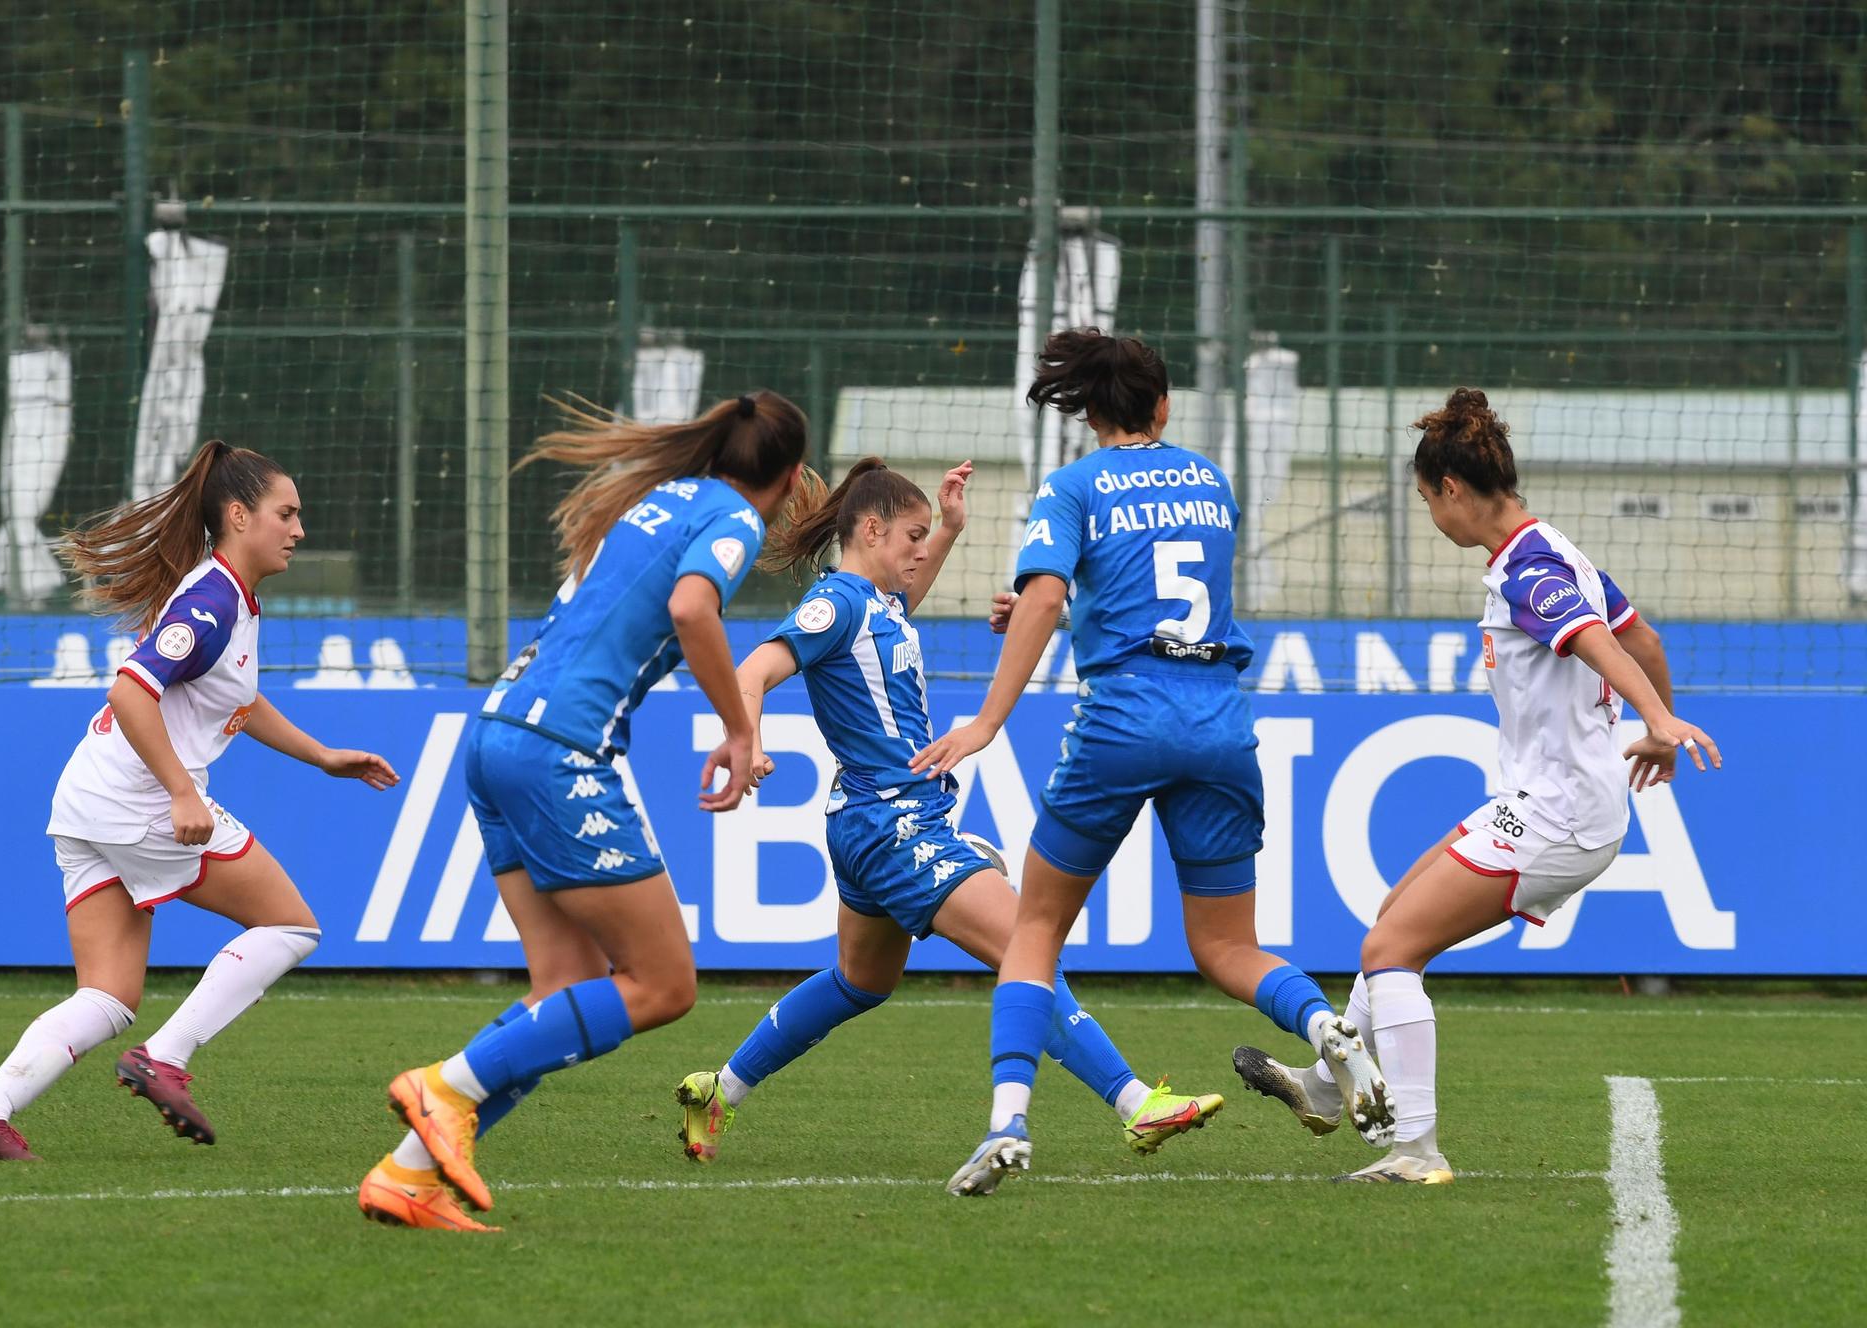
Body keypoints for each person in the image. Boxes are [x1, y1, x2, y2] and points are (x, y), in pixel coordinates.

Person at [911, 328, 1393, 1198]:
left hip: (1125, 718)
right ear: (1163, 407)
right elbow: (1154, 600)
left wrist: (989, 715)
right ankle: (1327, 1029)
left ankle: (1008, 1123)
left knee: (1034, 930)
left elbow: (1055, 591)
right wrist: (1050, 610)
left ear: (1088, 411)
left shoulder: (1072, 485)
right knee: (1226, 944)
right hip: (1218, 720)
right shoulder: (1211, 482)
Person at [671, 457, 1222, 1166]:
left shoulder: (878, 604)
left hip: (872, 822)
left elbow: (895, 603)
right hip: (893, 824)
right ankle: (1135, 1102)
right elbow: (754, 670)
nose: (920, 551)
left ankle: (718, 1090)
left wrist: (953, 528)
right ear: (870, 531)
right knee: (1029, 946)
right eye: (912, 535)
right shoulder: (835, 603)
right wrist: (746, 738)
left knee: (860, 981)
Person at [1232, 387, 1721, 1183]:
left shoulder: (1528, 571)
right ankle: (1325, 1090)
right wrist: (1659, 722)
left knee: (1391, 950)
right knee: (1395, 911)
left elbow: (1599, 641)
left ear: (1452, 489)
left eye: (1429, 501)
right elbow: (1646, 637)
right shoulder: (1557, 548)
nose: (1432, 518)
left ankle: (1416, 1148)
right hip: (1548, 801)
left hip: (1560, 814)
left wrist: (1657, 723)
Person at [360, 391, 808, 1233]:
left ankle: (409, 1177)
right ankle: (443, 1087)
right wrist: (743, 729)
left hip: (496, 736)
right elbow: (690, 608)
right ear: (786, 477)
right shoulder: (733, 517)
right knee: (664, 985)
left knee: (561, 993)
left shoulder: (652, 501)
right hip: (560, 751)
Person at [0, 440, 399, 1162]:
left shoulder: (228, 599)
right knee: (291, 926)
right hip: (139, 801)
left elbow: (236, 699)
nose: (299, 530)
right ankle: (168, 1057)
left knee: (110, 997)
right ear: (241, 516)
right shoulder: (214, 598)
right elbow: (129, 689)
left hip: (88, 800)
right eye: (288, 513)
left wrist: (321, 755)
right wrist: (183, 793)